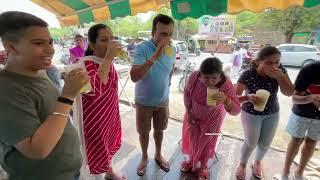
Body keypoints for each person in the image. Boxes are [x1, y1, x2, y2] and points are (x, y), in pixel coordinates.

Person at [0, 11, 88, 180]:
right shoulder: (6, 89)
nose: (50, 50)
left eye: (50, 42)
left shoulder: (40, 72)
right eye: (39, 43)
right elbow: (36, 149)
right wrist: (68, 95)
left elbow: (52, 114)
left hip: (69, 172)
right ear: (11, 47)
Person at [73, 24, 125, 180]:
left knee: (108, 144)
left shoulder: (104, 61)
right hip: (95, 121)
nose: (110, 43)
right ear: (92, 44)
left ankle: (109, 172)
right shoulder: (84, 64)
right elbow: (94, 93)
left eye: (112, 39)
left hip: (109, 114)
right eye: (104, 40)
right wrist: (109, 58)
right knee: (98, 151)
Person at [235, 46, 294, 179]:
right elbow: (234, 97)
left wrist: (280, 77)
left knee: (266, 143)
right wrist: (247, 97)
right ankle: (243, 164)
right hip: (251, 113)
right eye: (269, 63)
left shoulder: (280, 71)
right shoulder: (248, 74)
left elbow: (289, 92)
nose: (274, 66)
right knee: (251, 142)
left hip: (272, 112)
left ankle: (257, 162)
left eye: (277, 62)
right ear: (258, 62)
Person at [130, 14, 176, 176]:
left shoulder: (173, 48)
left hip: (163, 100)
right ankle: (144, 157)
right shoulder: (142, 48)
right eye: (163, 34)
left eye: (170, 34)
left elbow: (171, 68)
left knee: (160, 130)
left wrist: (168, 85)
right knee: (143, 132)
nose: (167, 38)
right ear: (153, 33)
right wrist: (156, 54)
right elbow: (134, 76)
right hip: (143, 102)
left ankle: (157, 154)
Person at [181, 58, 241, 180]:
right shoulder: (193, 76)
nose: (210, 82)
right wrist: (189, 112)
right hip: (194, 116)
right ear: (200, 74)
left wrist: (226, 100)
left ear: (220, 76)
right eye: (206, 78)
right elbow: (187, 93)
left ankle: (203, 167)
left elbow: (236, 110)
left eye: (214, 78)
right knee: (193, 139)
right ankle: (192, 160)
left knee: (208, 142)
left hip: (213, 120)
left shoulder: (226, 84)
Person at [274, 62, 320, 180]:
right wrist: (311, 98)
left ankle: (299, 173)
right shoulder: (310, 69)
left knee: (311, 143)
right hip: (301, 113)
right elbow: (294, 98)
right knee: (296, 140)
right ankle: (285, 173)